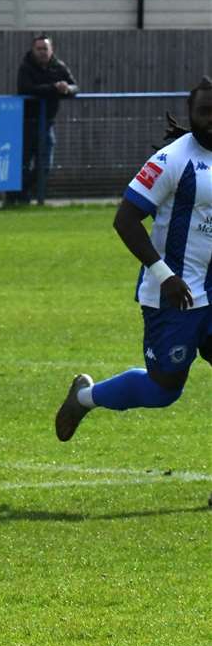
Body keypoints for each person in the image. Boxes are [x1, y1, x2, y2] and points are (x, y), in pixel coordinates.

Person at [54, 78, 212, 445]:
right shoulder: (173, 159)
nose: (211, 119)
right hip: (175, 297)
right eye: (205, 112)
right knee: (163, 390)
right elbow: (125, 219)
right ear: (191, 114)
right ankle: (83, 398)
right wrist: (165, 276)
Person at [14, 33, 79, 205]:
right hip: (27, 122)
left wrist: (67, 89)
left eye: (45, 48)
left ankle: (28, 194)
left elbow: (75, 86)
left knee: (45, 165)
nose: (42, 52)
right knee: (23, 164)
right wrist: (53, 88)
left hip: (47, 123)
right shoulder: (26, 67)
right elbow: (25, 89)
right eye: (39, 49)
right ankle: (19, 198)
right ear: (33, 50)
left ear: (51, 50)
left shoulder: (58, 66)